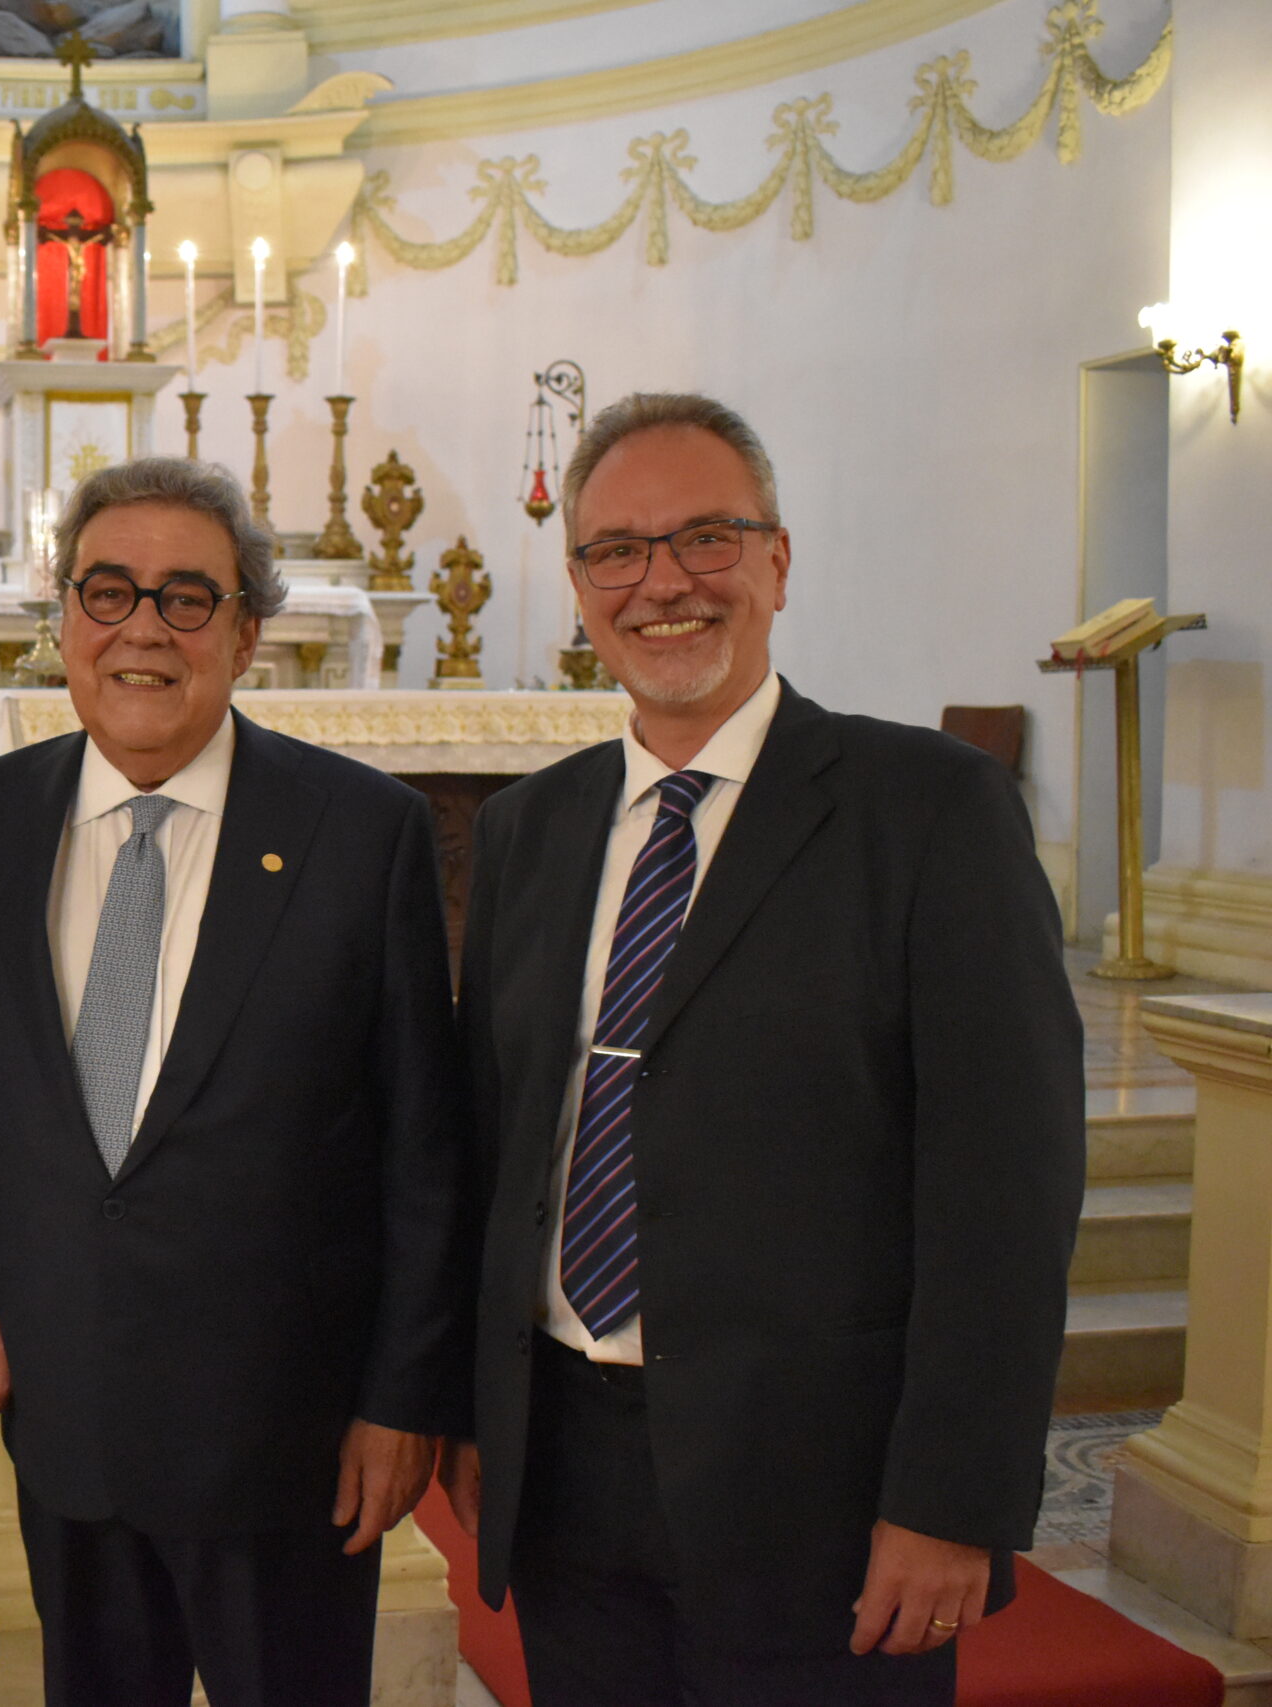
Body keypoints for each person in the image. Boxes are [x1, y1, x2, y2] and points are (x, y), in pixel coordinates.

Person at [449, 391, 1083, 1705]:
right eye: (618, 549)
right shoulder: (531, 830)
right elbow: (492, 1146)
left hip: (824, 1499)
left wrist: (952, 1498)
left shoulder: (926, 810)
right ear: (577, 584)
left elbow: (1005, 1188)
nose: (663, 581)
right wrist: (476, 1415)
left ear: (778, 562)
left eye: (706, 537)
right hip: (569, 1477)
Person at [0, 456, 471, 1707]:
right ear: (63, 618)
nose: (142, 631)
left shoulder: (360, 831)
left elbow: (420, 1148)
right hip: (67, 1413)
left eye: (185, 598)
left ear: (247, 632)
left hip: (289, 1438)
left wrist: (400, 1400)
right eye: (106, 593)